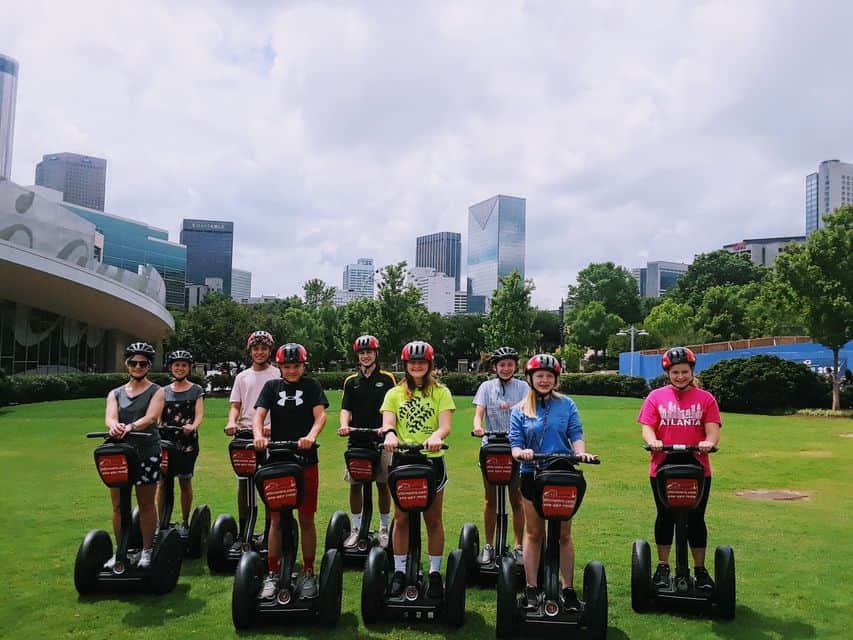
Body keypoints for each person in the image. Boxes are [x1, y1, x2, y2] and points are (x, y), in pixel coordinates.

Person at [509, 353, 597, 612]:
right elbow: (515, 443)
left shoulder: (567, 404)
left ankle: (567, 588)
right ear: (530, 378)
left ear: (556, 379)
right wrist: (520, 452)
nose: (544, 380)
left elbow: (576, 434)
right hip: (532, 474)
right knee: (534, 534)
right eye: (540, 376)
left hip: (561, 474)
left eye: (549, 376)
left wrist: (580, 452)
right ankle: (532, 588)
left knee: (564, 535)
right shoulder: (520, 410)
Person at [638, 346, 721, 592]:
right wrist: (653, 440)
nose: (680, 376)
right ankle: (663, 566)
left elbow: (713, 427)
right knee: (665, 517)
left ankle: (699, 570)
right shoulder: (656, 397)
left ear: (692, 371)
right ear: (668, 373)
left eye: (685, 371)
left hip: (697, 467)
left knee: (696, 519)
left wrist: (708, 442)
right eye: (675, 372)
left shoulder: (706, 398)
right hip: (663, 466)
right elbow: (647, 426)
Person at [380, 340, 455, 599]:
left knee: (433, 520)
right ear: (405, 365)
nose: (417, 366)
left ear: (429, 364)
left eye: (421, 362)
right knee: (400, 519)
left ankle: (434, 573)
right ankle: (400, 571)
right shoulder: (394, 393)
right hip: (402, 460)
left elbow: (445, 425)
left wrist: (436, 436)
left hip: (431, 461)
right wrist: (390, 434)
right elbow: (388, 422)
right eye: (412, 362)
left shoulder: (441, 392)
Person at [253, 343, 328, 600]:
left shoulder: (312, 386)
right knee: (275, 520)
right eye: (286, 366)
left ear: (303, 365)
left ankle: (308, 572)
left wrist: (311, 435)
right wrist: (258, 435)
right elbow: (258, 416)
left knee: (306, 518)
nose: (292, 370)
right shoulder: (272, 387)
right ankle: (273, 573)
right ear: (280, 367)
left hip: (305, 459)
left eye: (296, 366)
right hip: (276, 460)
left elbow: (320, 417)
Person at [103, 342, 166, 570]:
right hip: (120, 454)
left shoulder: (157, 391)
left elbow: (151, 418)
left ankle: (147, 550)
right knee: (119, 505)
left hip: (146, 451)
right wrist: (114, 427)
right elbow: (110, 417)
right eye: (133, 363)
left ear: (148, 365)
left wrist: (130, 427)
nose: (137, 366)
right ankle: (121, 550)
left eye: (142, 363)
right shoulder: (115, 393)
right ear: (127, 364)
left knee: (146, 503)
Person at [337, 335, 396, 548]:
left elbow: (393, 407)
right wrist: (344, 424)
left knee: (383, 484)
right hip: (357, 440)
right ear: (357, 356)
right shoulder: (351, 382)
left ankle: (383, 527)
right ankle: (356, 527)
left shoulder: (388, 378)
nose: (365, 356)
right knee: (355, 485)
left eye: (369, 352)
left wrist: (387, 428)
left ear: (376, 353)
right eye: (362, 353)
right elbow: (346, 409)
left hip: (381, 441)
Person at [471, 346, 528, 564]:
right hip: (491, 448)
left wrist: (512, 406)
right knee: (490, 499)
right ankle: (488, 545)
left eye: (510, 365)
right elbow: (479, 414)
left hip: (516, 449)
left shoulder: (523, 387)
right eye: (502, 365)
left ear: (515, 366)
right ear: (495, 367)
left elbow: (527, 410)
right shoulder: (486, 387)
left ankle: (519, 546)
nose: (506, 368)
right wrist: (478, 427)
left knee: (517, 499)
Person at [225, 330, 280, 537]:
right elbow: (235, 406)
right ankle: (244, 530)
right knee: (244, 483)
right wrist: (232, 422)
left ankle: (269, 531)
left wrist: (273, 427)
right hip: (246, 434)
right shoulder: (242, 377)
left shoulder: (277, 375)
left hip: (270, 436)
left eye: (264, 348)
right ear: (250, 351)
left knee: (268, 482)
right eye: (256, 349)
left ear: (270, 350)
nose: (259, 352)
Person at [158, 349, 204, 535]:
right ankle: (161, 523)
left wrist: (193, 425)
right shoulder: (163, 391)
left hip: (187, 442)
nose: (180, 368)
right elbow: (158, 415)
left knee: (184, 481)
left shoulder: (196, 390)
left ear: (189, 368)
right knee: (163, 482)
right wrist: (158, 425)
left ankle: (185, 521)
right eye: (176, 365)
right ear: (171, 367)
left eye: (184, 365)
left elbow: (199, 414)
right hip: (166, 442)